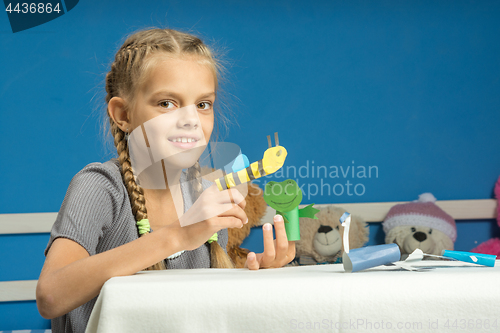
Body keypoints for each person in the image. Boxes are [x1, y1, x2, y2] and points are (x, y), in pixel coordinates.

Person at [36, 28, 296, 333]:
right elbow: (51, 296)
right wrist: (178, 235)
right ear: (123, 114)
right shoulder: (100, 186)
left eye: (203, 105)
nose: (190, 119)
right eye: (167, 103)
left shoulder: (206, 191)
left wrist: (255, 277)